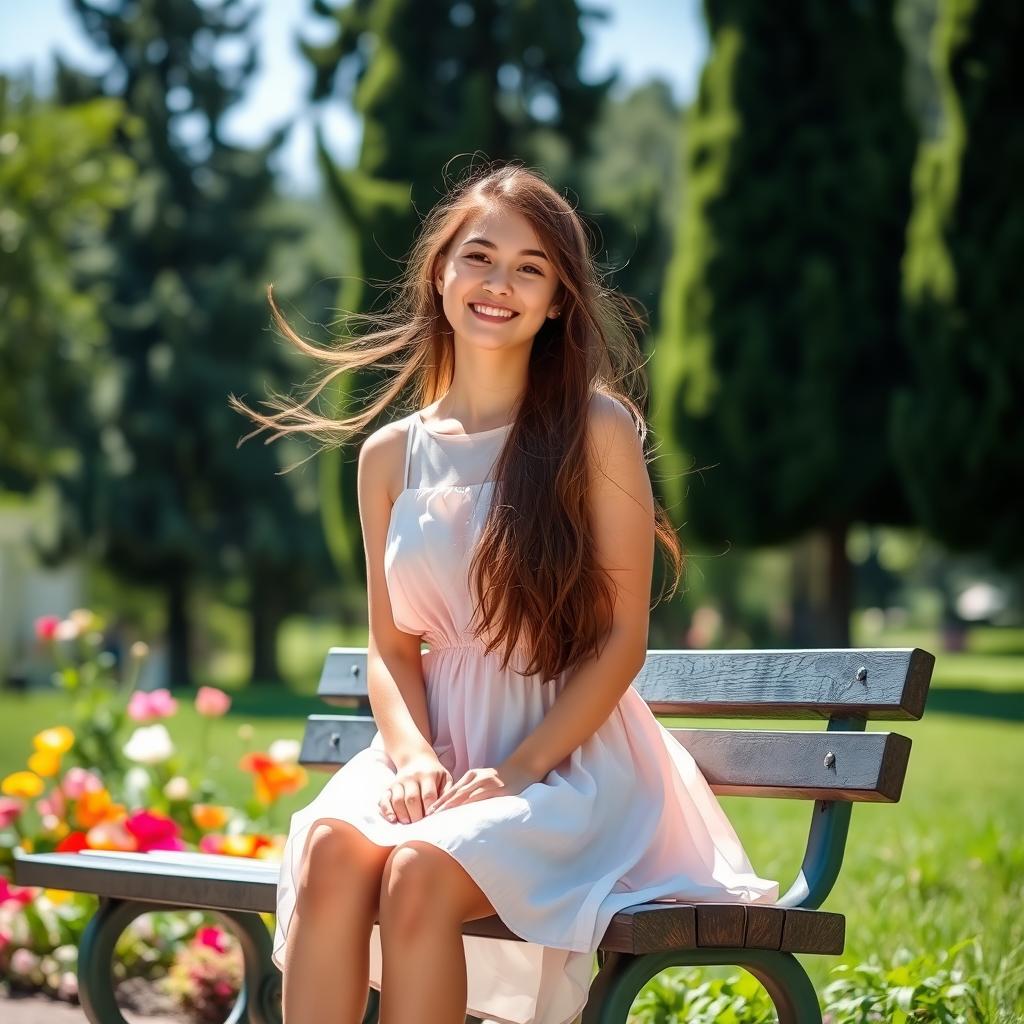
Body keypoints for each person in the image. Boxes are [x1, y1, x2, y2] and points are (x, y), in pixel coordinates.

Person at [230, 159, 778, 1024]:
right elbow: (391, 646)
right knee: (331, 848)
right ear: (440, 274)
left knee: (416, 872)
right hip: (434, 753)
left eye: (531, 268)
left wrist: (518, 770)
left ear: (559, 300)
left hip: (561, 761)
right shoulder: (387, 456)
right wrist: (411, 754)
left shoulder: (594, 430)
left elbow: (621, 640)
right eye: (479, 257)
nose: (499, 284)